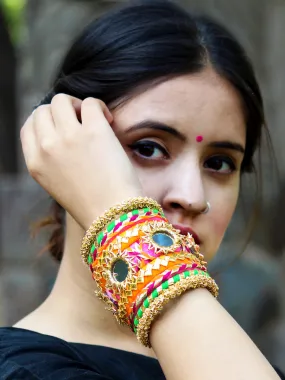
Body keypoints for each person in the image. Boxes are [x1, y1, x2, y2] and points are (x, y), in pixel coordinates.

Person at [0, 1, 284, 379]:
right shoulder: (23, 370)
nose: (192, 196)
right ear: (64, 148)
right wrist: (127, 227)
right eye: (148, 148)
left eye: (218, 163)